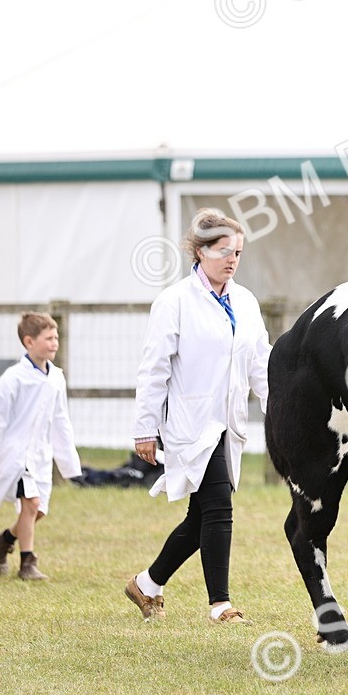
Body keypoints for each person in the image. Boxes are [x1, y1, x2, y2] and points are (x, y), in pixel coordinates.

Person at [125, 209, 271, 624]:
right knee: (219, 507)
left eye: (238, 252)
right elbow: (153, 370)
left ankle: (147, 583)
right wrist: (145, 428)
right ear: (200, 250)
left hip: (230, 424)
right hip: (191, 424)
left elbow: (261, 363)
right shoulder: (173, 302)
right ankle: (220, 604)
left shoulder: (246, 302)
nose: (232, 260)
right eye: (224, 251)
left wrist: (279, 410)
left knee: (202, 514)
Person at [0, 312, 82, 581]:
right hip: (17, 455)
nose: (55, 343)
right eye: (49, 338)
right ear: (29, 342)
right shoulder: (13, 378)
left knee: (37, 511)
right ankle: (27, 563)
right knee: (30, 504)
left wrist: (68, 463)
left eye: (56, 337)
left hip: (40, 455)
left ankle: (2, 541)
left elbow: (61, 420)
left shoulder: (56, 378)